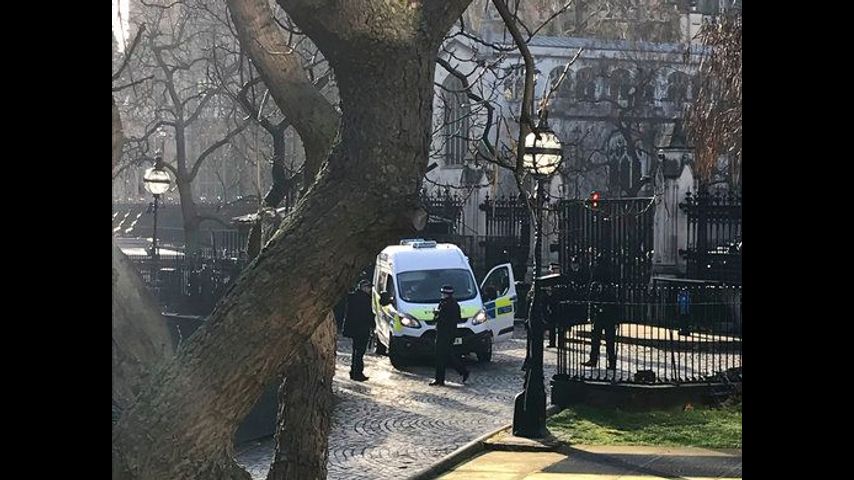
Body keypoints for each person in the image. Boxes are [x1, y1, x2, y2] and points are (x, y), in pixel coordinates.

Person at [581, 254, 618, 370]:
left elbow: (590, 299)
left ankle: (595, 359)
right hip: (607, 314)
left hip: (601, 313)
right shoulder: (609, 284)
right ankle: (610, 361)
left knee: (598, 338)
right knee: (607, 339)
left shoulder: (596, 284)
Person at [430, 284, 470, 386]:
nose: (442, 295)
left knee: (441, 356)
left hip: (446, 333)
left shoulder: (449, 304)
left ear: (446, 294)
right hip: (446, 332)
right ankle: (461, 372)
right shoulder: (448, 303)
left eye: (443, 293)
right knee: (446, 355)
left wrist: (437, 315)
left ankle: (441, 379)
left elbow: (444, 319)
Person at [342, 279, 374, 381]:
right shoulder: (365, 299)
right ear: (363, 288)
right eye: (368, 288)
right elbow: (368, 315)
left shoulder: (352, 297)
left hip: (354, 329)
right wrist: (373, 325)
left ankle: (354, 372)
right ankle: (358, 373)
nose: (370, 290)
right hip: (362, 329)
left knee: (355, 351)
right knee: (360, 352)